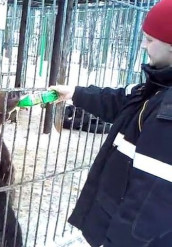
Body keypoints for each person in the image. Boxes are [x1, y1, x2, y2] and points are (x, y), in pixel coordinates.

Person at [50, 0, 172, 246]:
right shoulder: (158, 87)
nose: (143, 45)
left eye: (149, 39)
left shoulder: (168, 111)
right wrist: (75, 93)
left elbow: (152, 200)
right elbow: (122, 100)